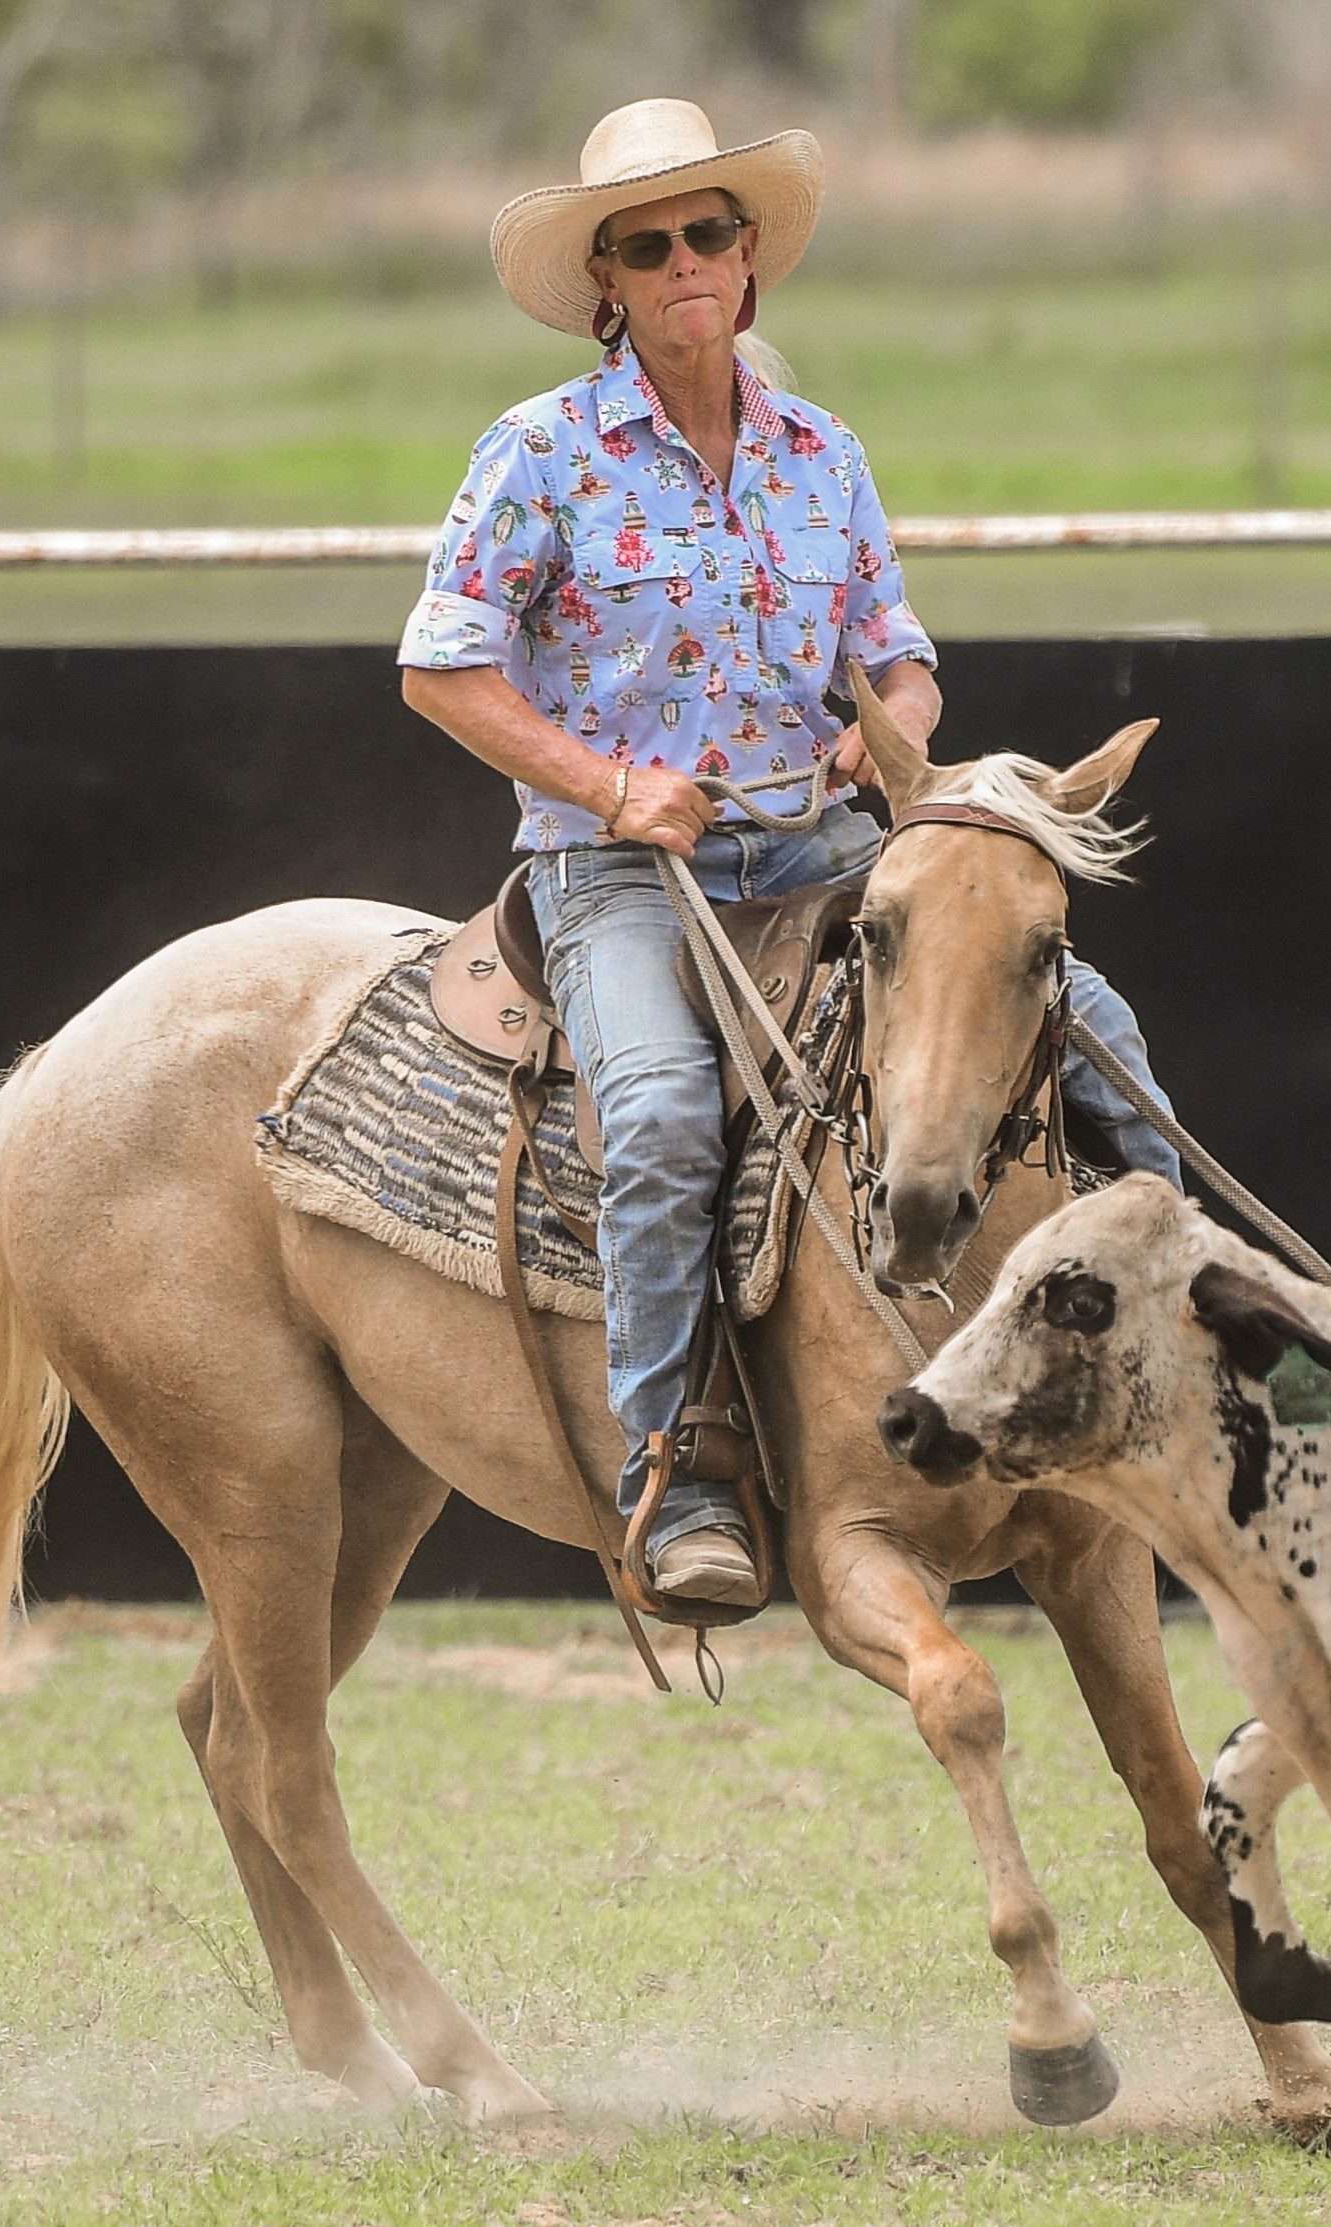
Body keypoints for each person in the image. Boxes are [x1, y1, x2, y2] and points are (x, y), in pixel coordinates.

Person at [401, 99, 1183, 1608]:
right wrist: (612, 787)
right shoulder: (540, 451)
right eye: (648, 246)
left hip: (822, 849)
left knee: (1097, 1035)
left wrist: (885, 738)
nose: (685, 261)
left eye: (707, 232)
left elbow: (902, 659)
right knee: (660, 1114)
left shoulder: (823, 453)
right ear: (607, 283)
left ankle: (1195, 1344)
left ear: (748, 255)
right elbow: (442, 668)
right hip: (623, 873)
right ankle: (673, 1468)